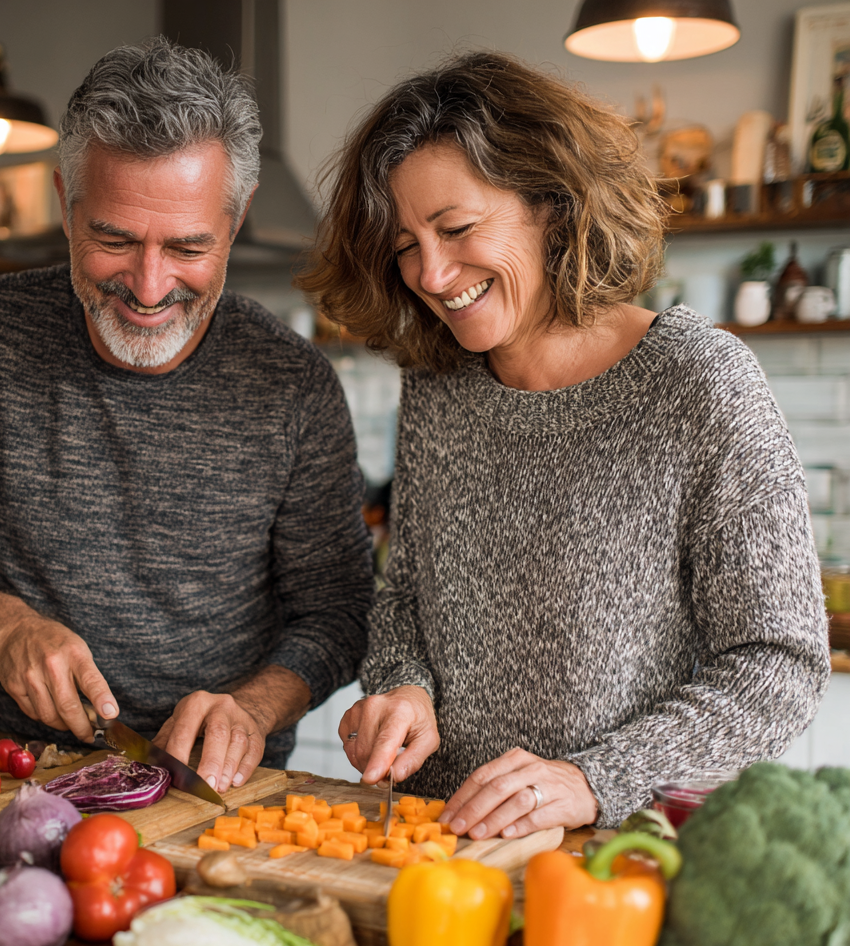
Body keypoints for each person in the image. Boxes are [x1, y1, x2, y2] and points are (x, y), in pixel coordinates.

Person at [298, 52, 830, 838]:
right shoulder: (438, 383)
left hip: (615, 859)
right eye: (406, 243)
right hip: (434, 843)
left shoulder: (699, 382)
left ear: (553, 205)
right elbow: (408, 593)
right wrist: (403, 686)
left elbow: (779, 664)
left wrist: (596, 779)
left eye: (457, 228)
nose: (433, 273)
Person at [0, 38, 374, 793]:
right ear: (68, 209)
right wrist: (6, 628)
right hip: (8, 780)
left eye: (189, 246)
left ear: (235, 221)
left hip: (219, 793)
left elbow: (339, 610)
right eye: (114, 238)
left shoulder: (292, 384)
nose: (149, 284)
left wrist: (253, 709)